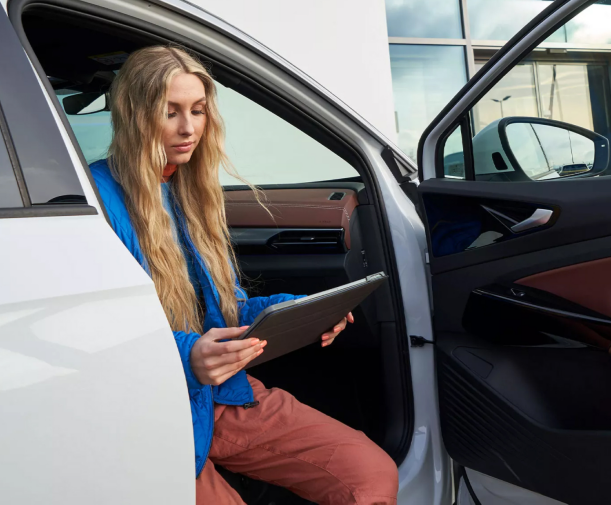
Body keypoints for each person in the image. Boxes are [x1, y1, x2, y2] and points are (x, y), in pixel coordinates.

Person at [89, 46, 398, 504]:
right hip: (149, 410)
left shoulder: (190, 194)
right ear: (135, 113)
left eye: (197, 110)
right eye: (169, 112)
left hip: (223, 395)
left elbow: (227, 310)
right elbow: (91, 329)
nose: (189, 128)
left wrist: (296, 311)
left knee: (369, 476)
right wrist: (187, 354)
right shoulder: (94, 198)